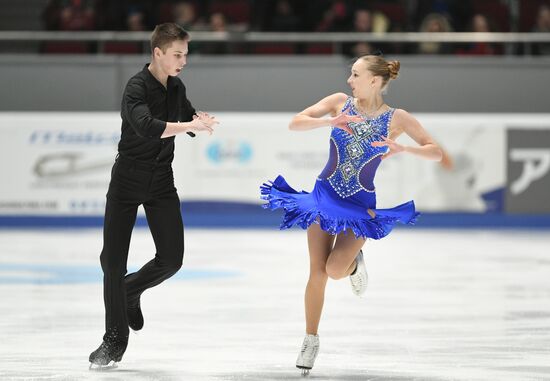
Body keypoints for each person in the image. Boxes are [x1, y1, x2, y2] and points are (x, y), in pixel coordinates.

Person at [260, 55, 442, 375]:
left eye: (355, 74)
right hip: (323, 195)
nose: (349, 80)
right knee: (317, 272)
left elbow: (435, 151)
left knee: (334, 269)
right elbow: (295, 121)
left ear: (374, 81)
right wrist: (327, 122)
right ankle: (310, 338)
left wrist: (405, 149)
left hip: (360, 206)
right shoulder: (339, 103)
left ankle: (354, 262)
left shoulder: (397, 118)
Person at [89, 23, 218, 368]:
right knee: (113, 262)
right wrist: (189, 126)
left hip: (161, 180)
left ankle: (131, 291)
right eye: (177, 54)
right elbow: (147, 127)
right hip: (128, 179)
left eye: (185, 55)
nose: (183, 61)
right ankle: (113, 341)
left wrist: (197, 118)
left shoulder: (176, 87)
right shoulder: (135, 88)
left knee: (172, 259)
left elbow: (185, 112)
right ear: (157, 53)